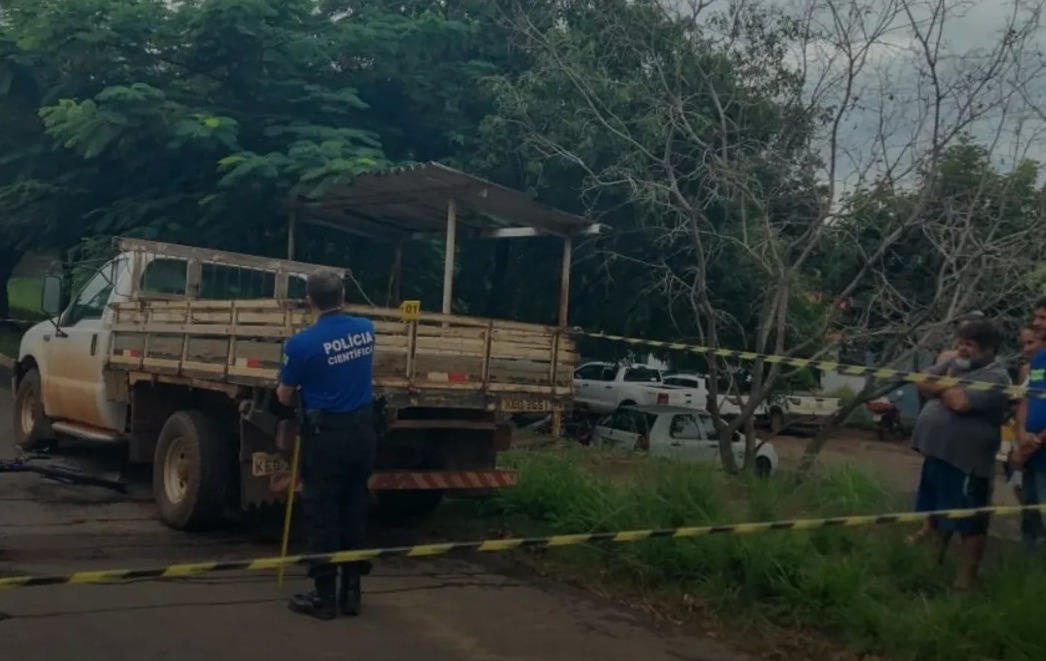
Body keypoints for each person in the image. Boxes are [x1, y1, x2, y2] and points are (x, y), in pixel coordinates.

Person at [277, 270, 377, 620]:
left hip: (326, 438)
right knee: (353, 510)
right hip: (363, 434)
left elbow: (285, 396)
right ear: (344, 295)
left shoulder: (301, 344)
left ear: (309, 300)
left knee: (322, 514)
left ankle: (324, 598)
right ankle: (352, 594)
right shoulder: (366, 329)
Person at [908, 318, 1011, 590]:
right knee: (936, 512)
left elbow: (960, 402)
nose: (962, 349)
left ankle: (964, 583)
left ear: (989, 350)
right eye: (961, 343)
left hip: (967, 463)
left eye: (970, 345)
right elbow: (920, 381)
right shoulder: (957, 365)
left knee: (970, 521)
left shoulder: (996, 376)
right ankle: (931, 570)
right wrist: (949, 383)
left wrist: (942, 385)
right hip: (937, 454)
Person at [1015, 298, 1046, 550]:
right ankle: (1031, 577)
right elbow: (1027, 399)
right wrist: (1023, 435)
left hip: (1039, 449)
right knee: (1030, 516)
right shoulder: (1038, 359)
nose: (1036, 323)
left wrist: (1036, 441)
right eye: (1036, 317)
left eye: (1043, 318)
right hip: (1032, 454)